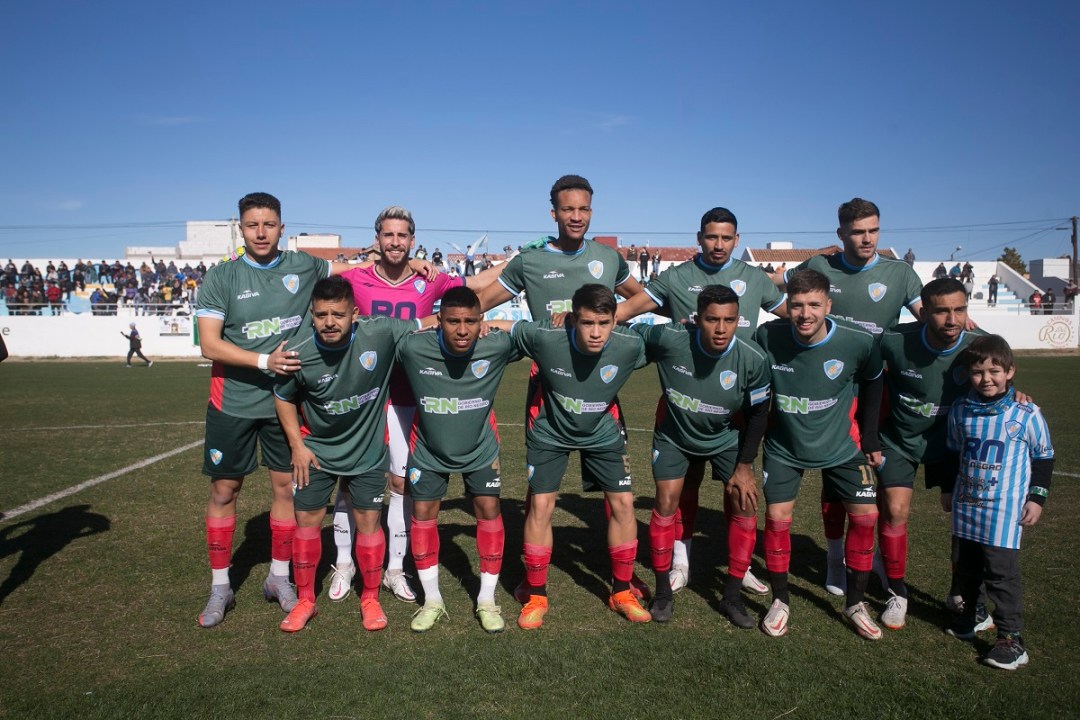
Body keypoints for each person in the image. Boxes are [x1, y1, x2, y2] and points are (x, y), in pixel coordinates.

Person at [473, 174, 649, 602]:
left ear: (592, 211)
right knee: (540, 494)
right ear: (553, 213)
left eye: (583, 209)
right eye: (568, 209)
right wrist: (452, 321)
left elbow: (640, 298)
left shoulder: (608, 258)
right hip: (548, 388)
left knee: (617, 491)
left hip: (600, 388)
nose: (576, 216)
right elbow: (481, 302)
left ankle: (622, 576)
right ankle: (532, 578)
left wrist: (607, 319)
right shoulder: (530, 261)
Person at [332, 207, 502, 606]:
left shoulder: (432, 280)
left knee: (401, 484)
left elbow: (475, 287)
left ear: (412, 240)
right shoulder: (355, 278)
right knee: (348, 480)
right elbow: (315, 278)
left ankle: (394, 568)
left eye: (402, 236)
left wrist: (520, 263)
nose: (395, 242)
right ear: (377, 239)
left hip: (410, 395)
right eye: (388, 235)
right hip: (364, 394)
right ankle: (343, 563)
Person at [194, 192, 349, 628]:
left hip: (286, 404)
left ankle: (278, 578)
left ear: (282, 227)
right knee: (225, 490)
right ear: (240, 228)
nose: (260, 233)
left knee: (286, 489)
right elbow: (210, 345)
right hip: (234, 402)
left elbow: (357, 271)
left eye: (269, 224)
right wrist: (265, 361)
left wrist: (409, 263)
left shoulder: (304, 266)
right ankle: (220, 587)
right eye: (252, 225)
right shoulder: (222, 277)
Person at [615, 206, 785, 594]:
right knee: (684, 488)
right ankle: (681, 560)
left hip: (736, 406)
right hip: (687, 402)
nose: (718, 244)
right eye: (711, 237)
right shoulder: (676, 278)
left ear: (737, 240)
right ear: (699, 238)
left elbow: (795, 316)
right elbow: (628, 310)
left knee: (737, 491)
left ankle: (740, 567)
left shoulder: (754, 279)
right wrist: (585, 319)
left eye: (726, 238)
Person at [774, 198, 922, 595]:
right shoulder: (820, 266)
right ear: (841, 234)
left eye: (873, 230)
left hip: (879, 390)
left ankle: (876, 557)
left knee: (878, 483)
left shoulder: (900, 273)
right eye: (858, 232)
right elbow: (776, 289)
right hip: (830, 390)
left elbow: (935, 319)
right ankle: (834, 557)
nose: (867, 239)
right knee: (834, 480)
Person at [271, 276, 418, 632]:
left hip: (367, 451)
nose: (329, 322)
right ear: (312, 314)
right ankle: (306, 600)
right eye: (321, 314)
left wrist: (482, 326)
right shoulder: (297, 352)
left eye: (338, 314)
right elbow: (282, 397)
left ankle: (370, 597)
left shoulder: (379, 332)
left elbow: (428, 324)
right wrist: (297, 446)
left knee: (368, 523)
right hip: (316, 453)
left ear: (354, 314)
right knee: (307, 523)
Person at [504, 284, 651, 629]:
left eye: (604, 323)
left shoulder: (630, 344)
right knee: (541, 506)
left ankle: (621, 592)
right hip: (550, 430)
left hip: (602, 430)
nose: (596, 332)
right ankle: (536, 595)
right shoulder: (545, 337)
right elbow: (502, 328)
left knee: (624, 504)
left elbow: (675, 342)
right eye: (587, 323)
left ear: (615, 320)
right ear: (572, 320)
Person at [754, 269, 885, 640]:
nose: (805, 314)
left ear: (828, 305)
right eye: (797, 305)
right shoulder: (767, 336)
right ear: (787, 306)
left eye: (814, 304)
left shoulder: (858, 341)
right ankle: (780, 601)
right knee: (777, 519)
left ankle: (855, 604)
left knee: (866, 518)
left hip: (842, 446)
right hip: (784, 447)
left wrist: (870, 436)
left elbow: (875, 380)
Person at [631, 285, 771, 626]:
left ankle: (732, 595)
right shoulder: (671, 339)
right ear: (697, 320)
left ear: (738, 319)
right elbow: (626, 334)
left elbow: (758, 414)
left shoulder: (753, 359)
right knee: (666, 501)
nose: (721, 329)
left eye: (729, 320)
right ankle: (663, 592)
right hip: (674, 436)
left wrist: (745, 466)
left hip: (725, 437)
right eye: (712, 320)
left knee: (744, 502)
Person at [397, 287, 524, 633]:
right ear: (439, 321)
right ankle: (432, 600)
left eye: (471, 321)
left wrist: (496, 324)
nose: (463, 330)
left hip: (480, 448)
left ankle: (486, 599)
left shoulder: (495, 345)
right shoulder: (413, 347)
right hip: (428, 448)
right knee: (423, 514)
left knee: (488, 511)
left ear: (481, 321)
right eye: (454, 321)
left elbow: (534, 333)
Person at [875, 278, 984, 629]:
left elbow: (1000, 381)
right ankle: (896, 592)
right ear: (924, 313)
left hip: (953, 445)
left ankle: (959, 592)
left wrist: (1018, 394)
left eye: (959, 310)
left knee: (963, 519)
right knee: (895, 510)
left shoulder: (978, 346)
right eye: (941, 311)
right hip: (899, 439)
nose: (952, 320)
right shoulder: (893, 341)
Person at [943, 335, 1054, 670]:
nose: (986, 379)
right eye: (978, 372)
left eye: (994, 371)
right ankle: (975, 614)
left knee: (1001, 574)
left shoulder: (1026, 412)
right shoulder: (961, 409)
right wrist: (947, 489)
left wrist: (1037, 498)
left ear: (1010, 371)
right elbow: (952, 453)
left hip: (1003, 510)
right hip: (967, 504)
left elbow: (1044, 456)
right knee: (965, 567)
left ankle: (1011, 638)